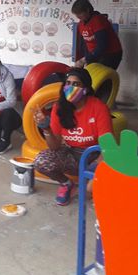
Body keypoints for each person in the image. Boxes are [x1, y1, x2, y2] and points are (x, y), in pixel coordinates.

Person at [33, 68, 113, 205]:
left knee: (90, 193)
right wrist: (46, 128)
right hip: (71, 153)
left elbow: (108, 148)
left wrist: (93, 174)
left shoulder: (98, 108)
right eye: (68, 83)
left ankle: (85, 182)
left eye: (76, 84)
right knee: (41, 161)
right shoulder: (59, 108)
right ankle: (66, 184)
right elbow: (55, 146)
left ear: (86, 89)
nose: (70, 87)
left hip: (94, 156)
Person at [72, 0, 123, 69]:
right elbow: (84, 44)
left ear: (87, 10)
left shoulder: (98, 20)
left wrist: (85, 59)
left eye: (80, 14)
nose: (78, 17)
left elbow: (102, 45)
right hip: (94, 54)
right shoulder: (81, 24)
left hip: (110, 54)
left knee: (100, 77)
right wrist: (86, 60)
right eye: (76, 14)